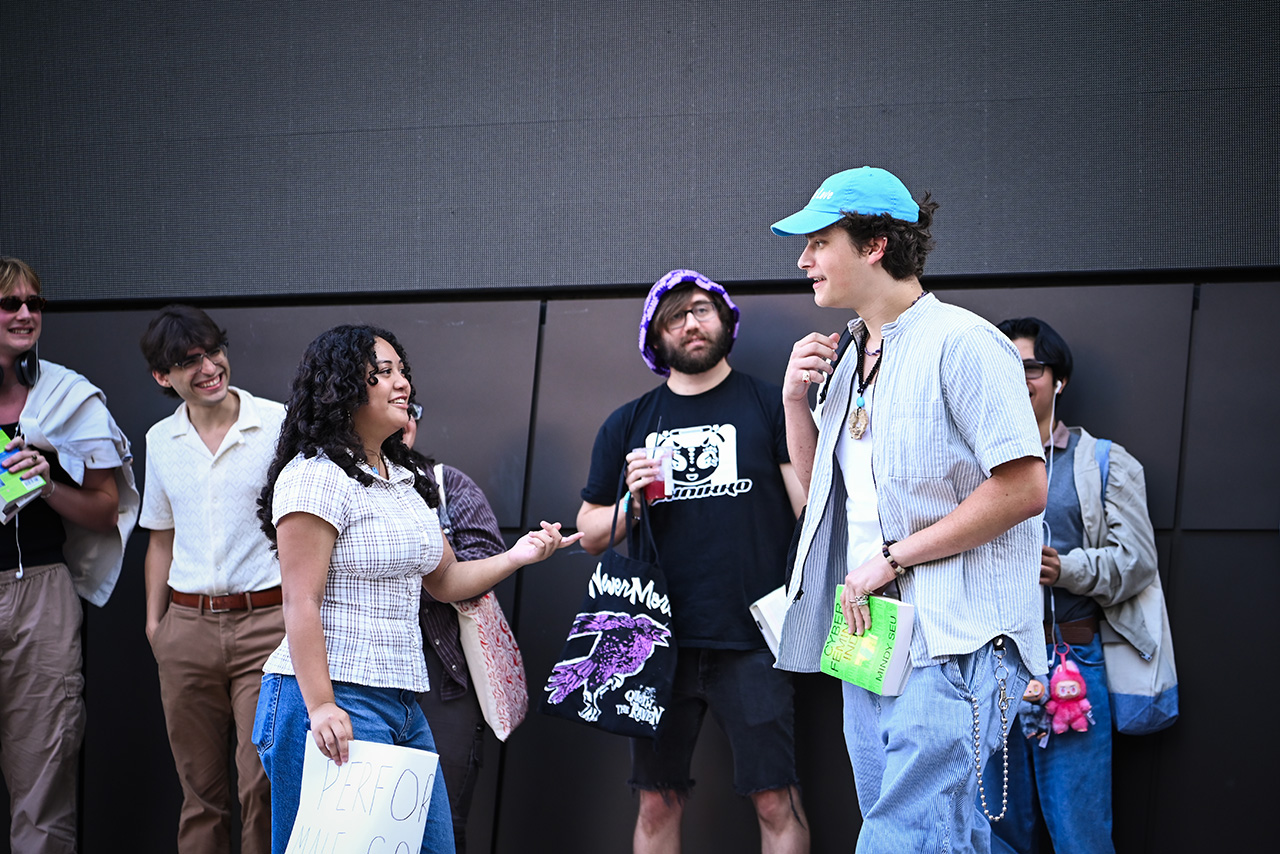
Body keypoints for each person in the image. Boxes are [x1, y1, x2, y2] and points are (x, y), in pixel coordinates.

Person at [769, 168, 1048, 853]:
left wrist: (891, 559)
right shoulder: (848, 357)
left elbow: (1023, 488)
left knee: (903, 838)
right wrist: (793, 406)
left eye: (820, 240)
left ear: (875, 245)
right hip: (869, 638)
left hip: (960, 638)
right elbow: (822, 501)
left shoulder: (964, 341)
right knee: (936, 835)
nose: (803, 259)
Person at [251, 324, 580, 854]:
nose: (401, 383)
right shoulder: (314, 476)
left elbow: (447, 582)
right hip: (329, 699)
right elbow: (301, 601)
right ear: (341, 388)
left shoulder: (404, 483)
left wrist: (520, 555)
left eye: (402, 370)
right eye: (382, 373)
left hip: (402, 704)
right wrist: (321, 707)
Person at [577, 269, 810, 854]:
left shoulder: (766, 403)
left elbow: (810, 506)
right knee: (656, 800)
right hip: (654, 643)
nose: (691, 323)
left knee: (775, 797)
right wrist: (630, 500)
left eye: (703, 310)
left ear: (727, 322)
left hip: (756, 636)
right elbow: (589, 534)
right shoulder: (627, 423)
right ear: (655, 338)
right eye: (675, 315)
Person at [980, 317, 1160, 854]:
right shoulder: (971, 466)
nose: (1017, 377)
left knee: (1080, 832)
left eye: (1030, 366)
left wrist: (1067, 568)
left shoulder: (1104, 461)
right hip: (992, 666)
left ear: (1058, 380)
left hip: (1072, 667)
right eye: (1003, 367)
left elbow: (1139, 561)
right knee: (995, 832)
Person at [0, 256, 139, 854]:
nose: (27, 313)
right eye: (11, 304)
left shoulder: (64, 396)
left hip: (38, 596)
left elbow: (108, 509)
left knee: (43, 772)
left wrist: (48, 483)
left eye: (35, 303)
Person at [138, 305, 287, 854]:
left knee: (262, 785)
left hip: (267, 629)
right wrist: (156, 626)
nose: (207, 368)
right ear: (163, 376)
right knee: (200, 795)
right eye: (188, 361)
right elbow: (160, 536)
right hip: (187, 627)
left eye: (212, 352)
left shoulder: (278, 422)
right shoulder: (161, 440)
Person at [405, 402, 507, 854]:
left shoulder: (447, 486)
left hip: (441, 675)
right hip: (357, 677)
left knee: (441, 825)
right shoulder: (332, 486)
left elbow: (478, 575)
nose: (403, 417)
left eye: (409, 408)